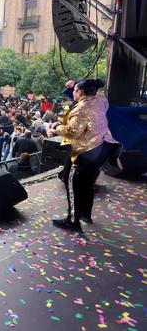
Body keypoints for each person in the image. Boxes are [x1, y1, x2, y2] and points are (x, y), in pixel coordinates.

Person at [53, 79, 121, 231]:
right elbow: (93, 92)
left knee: (70, 182)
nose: (73, 93)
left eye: (75, 90)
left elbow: (73, 132)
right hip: (102, 148)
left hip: (85, 152)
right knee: (88, 182)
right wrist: (76, 83)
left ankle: (72, 220)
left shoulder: (81, 110)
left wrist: (56, 127)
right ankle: (85, 214)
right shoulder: (101, 99)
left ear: (81, 92)